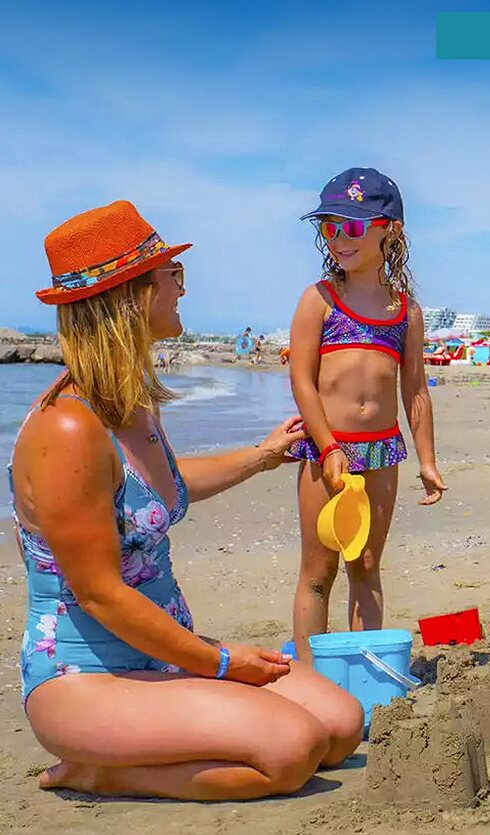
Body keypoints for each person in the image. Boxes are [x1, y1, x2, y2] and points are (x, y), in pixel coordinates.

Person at [12, 201, 363, 800]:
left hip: (166, 658)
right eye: (170, 275)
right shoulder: (67, 431)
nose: (181, 288)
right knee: (291, 750)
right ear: (130, 295)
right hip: (85, 678)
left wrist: (262, 455)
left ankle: (144, 746)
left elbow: (160, 489)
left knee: (340, 726)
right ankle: (95, 770)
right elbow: (99, 592)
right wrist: (221, 662)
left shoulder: (131, 405)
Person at [287, 168, 447, 664]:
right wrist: (329, 446)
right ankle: (311, 676)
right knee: (318, 570)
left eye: (351, 227)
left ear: (389, 229)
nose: (338, 238)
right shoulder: (319, 299)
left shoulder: (405, 311)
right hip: (324, 449)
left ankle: (365, 670)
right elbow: (302, 380)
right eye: (329, 227)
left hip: (382, 451)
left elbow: (415, 390)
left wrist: (427, 459)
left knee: (367, 562)